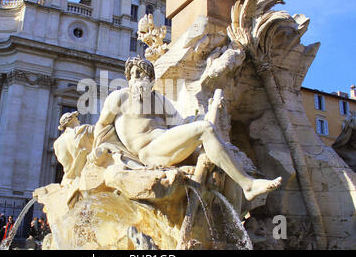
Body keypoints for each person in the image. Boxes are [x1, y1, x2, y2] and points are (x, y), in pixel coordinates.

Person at [89, 55, 282, 202]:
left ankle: (234, 203)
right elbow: (103, 124)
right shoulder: (120, 97)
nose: (135, 78)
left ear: (151, 79)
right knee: (204, 129)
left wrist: (213, 109)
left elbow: (182, 125)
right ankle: (247, 185)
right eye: (132, 75)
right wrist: (100, 149)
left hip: (168, 144)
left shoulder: (160, 101)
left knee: (219, 146)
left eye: (140, 74)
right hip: (148, 152)